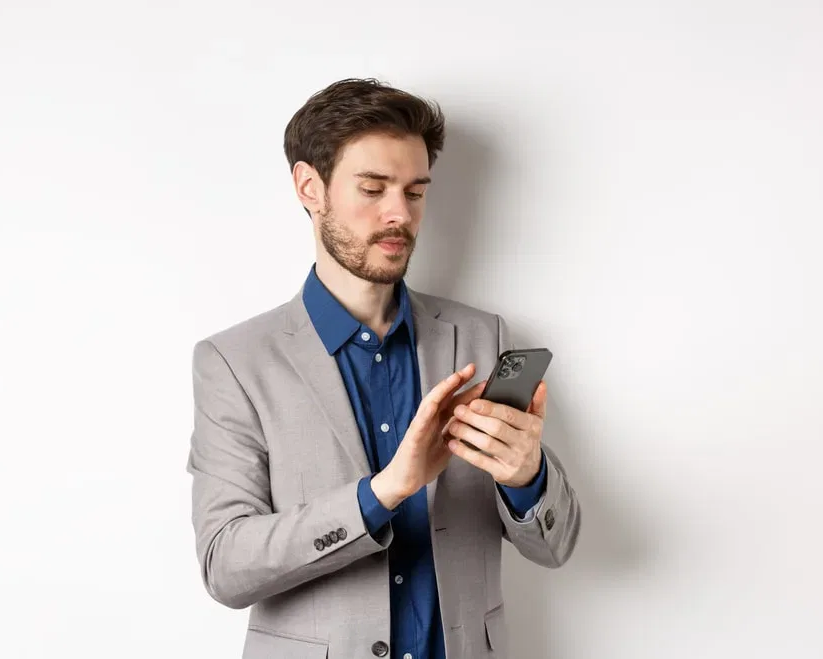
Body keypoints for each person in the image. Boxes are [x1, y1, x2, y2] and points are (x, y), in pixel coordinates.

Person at [186, 77, 581, 659]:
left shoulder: (481, 336)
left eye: (416, 192)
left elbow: (557, 547)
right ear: (309, 187)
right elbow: (225, 566)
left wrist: (527, 478)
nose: (399, 215)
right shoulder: (235, 362)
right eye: (373, 188)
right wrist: (384, 492)